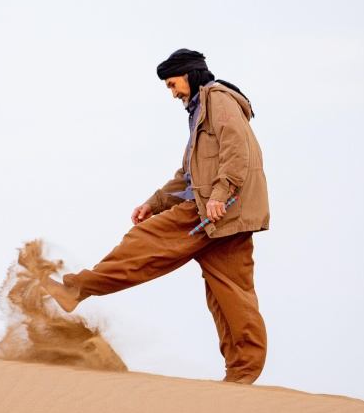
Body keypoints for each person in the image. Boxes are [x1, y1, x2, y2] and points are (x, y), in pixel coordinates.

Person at [42, 48, 270, 384]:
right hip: (226, 216)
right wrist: (155, 202)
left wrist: (219, 195)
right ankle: (242, 374)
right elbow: (188, 173)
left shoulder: (217, 100)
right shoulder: (202, 109)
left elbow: (236, 151)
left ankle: (74, 290)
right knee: (231, 295)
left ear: (190, 75)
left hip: (211, 212)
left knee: (142, 245)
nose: (172, 92)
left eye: (172, 84)